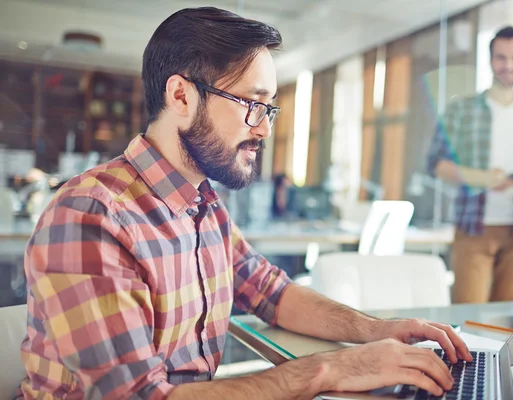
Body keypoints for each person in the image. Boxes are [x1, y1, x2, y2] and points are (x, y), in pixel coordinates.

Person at [18, 7, 471, 399]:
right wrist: (330, 369)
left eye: (269, 108)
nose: (264, 130)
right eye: (251, 104)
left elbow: (271, 293)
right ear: (181, 96)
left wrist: (378, 329)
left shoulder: (202, 203)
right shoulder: (90, 215)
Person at [427, 26, 513, 304]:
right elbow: (438, 165)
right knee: (468, 315)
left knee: (506, 320)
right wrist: (485, 178)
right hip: (474, 227)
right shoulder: (461, 110)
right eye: (501, 57)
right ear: (490, 60)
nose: (508, 65)